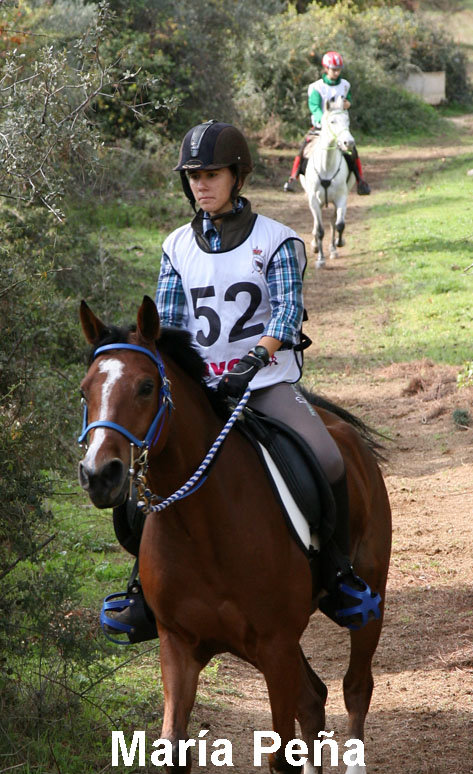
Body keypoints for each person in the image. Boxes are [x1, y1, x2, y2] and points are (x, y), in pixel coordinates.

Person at [108, 119, 380, 641]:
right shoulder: (174, 246)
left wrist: (255, 360)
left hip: (265, 383)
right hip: (198, 391)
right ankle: (144, 593)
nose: (200, 185)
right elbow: (169, 327)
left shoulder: (276, 241)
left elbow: (285, 315)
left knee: (326, 456)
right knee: (139, 478)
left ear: (237, 176)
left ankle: (339, 574)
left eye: (210, 174)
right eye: (192, 176)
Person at [284, 50, 371, 195]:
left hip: (339, 129)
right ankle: (293, 178)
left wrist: (347, 104)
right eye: (334, 70)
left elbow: (348, 100)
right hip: (321, 128)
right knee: (304, 147)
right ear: (326, 69)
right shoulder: (316, 87)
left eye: (338, 70)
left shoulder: (344, 85)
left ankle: (360, 180)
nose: (336, 73)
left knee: (352, 151)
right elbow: (314, 107)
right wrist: (323, 120)